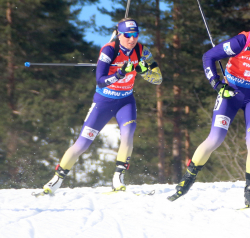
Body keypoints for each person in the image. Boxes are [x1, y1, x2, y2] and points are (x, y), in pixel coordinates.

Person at [167, 7, 250, 207]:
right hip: (231, 93)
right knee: (216, 138)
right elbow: (208, 57)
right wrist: (218, 85)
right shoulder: (241, 42)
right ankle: (187, 180)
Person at [42, 18, 162, 195]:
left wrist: (144, 71)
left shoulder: (142, 50)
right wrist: (120, 73)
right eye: (128, 35)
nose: (132, 39)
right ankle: (57, 179)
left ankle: (118, 179)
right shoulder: (109, 50)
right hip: (104, 102)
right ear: (119, 34)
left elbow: (158, 78)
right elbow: (100, 80)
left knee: (128, 135)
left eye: (135, 35)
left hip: (125, 101)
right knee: (82, 143)